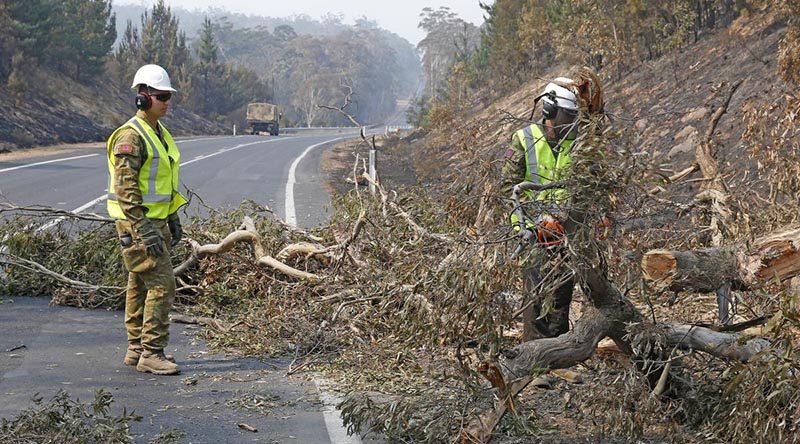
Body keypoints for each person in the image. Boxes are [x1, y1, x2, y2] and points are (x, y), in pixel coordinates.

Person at [106, 64, 187, 375]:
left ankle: (136, 349)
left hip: (155, 222)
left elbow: (161, 181)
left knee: (139, 284)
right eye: (162, 96)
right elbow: (125, 187)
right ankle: (152, 352)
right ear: (143, 98)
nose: (167, 102)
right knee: (163, 286)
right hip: (139, 225)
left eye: (168, 96)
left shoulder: (159, 133)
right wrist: (142, 228)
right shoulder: (131, 136)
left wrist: (172, 216)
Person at [501, 77, 580, 342]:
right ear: (549, 111)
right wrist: (521, 228)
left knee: (561, 295)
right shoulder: (524, 139)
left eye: (572, 118)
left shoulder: (578, 143)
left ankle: (559, 354)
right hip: (535, 230)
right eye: (564, 117)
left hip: (566, 229)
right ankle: (535, 359)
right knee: (536, 295)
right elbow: (507, 190)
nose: (568, 124)